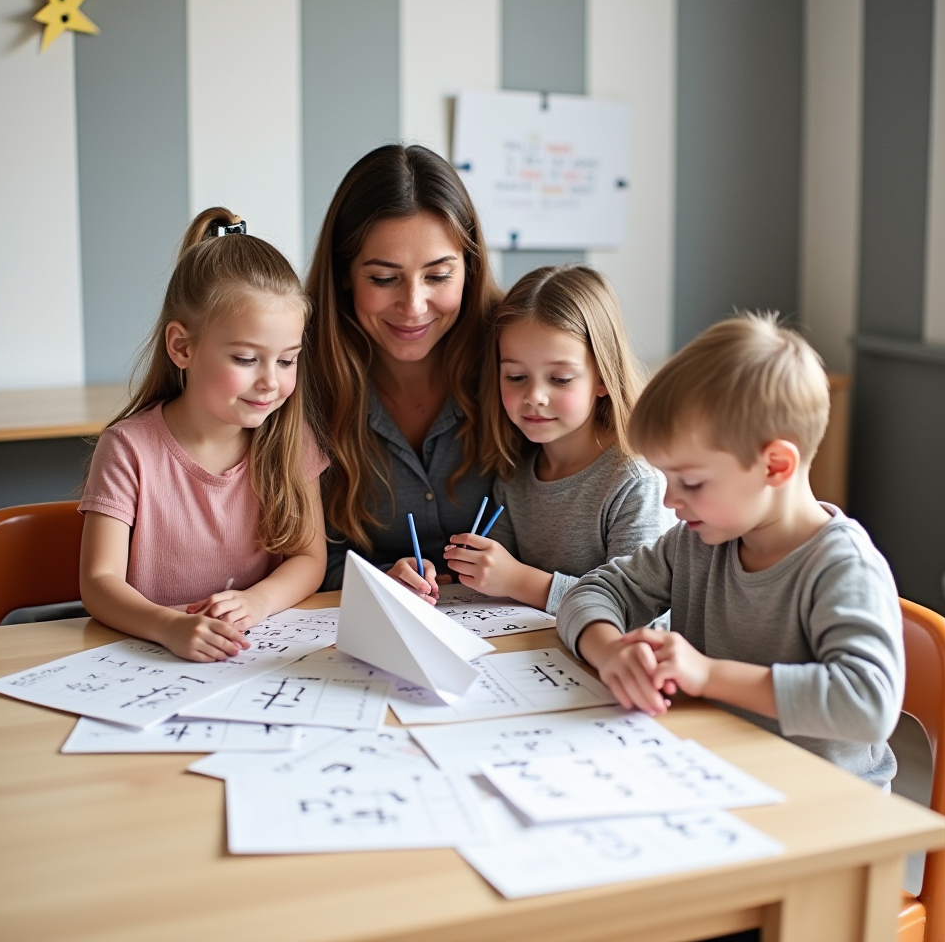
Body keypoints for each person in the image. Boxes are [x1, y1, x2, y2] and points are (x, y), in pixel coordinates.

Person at [557, 313, 905, 788]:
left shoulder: (842, 568)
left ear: (775, 466)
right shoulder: (698, 541)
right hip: (713, 775)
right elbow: (593, 592)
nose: (669, 501)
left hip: (821, 809)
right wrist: (610, 651)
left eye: (692, 482)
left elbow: (867, 704)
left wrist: (706, 675)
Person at [78, 208, 329, 661]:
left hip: (255, 659)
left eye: (287, 360)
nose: (271, 382)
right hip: (148, 662)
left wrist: (258, 602)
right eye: (246, 359)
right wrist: (169, 627)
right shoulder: (128, 449)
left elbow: (309, 561)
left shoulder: (292, 442)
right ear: (182, 347)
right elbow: (99, 582)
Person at [305, 145, 501, 592]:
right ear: (343, 274)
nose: (413, 306)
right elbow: (302, 558)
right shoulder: (296, 372)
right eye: (383, 278)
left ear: (468, 270)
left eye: (438, 276)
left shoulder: (520, 357)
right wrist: (378, 580)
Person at [437, 265, 675, 612]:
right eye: (516, 376)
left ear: (603, 378)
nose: (534, 396)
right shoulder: (514, 475)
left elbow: (638, 606)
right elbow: (495, 585)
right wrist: (461, 575)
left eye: (561, 378)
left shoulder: (634, 484)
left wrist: (519, 580)